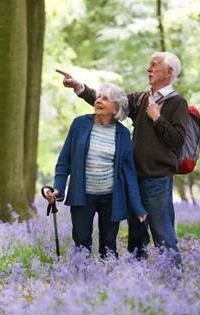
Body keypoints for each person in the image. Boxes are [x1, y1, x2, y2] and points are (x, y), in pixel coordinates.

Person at [58, 52, 187, 267]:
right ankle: (136, 273)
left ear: (169, 72)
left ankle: (173, 275)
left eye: (154, 65)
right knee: (136, 233)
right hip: (133, 177)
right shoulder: (142, 98)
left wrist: (158, 118)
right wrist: (79, 88)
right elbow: (112, 104)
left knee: (161, 229)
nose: (149, 69)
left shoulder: (177, 102)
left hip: (157, 179)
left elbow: (177, 140)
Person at [45, 83, 147, 259]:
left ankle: (107, 282)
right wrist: (58, 188)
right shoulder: (79, 124)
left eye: (105, 98)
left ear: (116, 107)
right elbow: (64, 161)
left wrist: (138, 208)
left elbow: (129, 173)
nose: (98, 100)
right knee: (81, 241)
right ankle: (81, 280)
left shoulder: (122, 134)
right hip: (82, 195)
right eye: (98, 96)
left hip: (111, 197)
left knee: (109, 243)